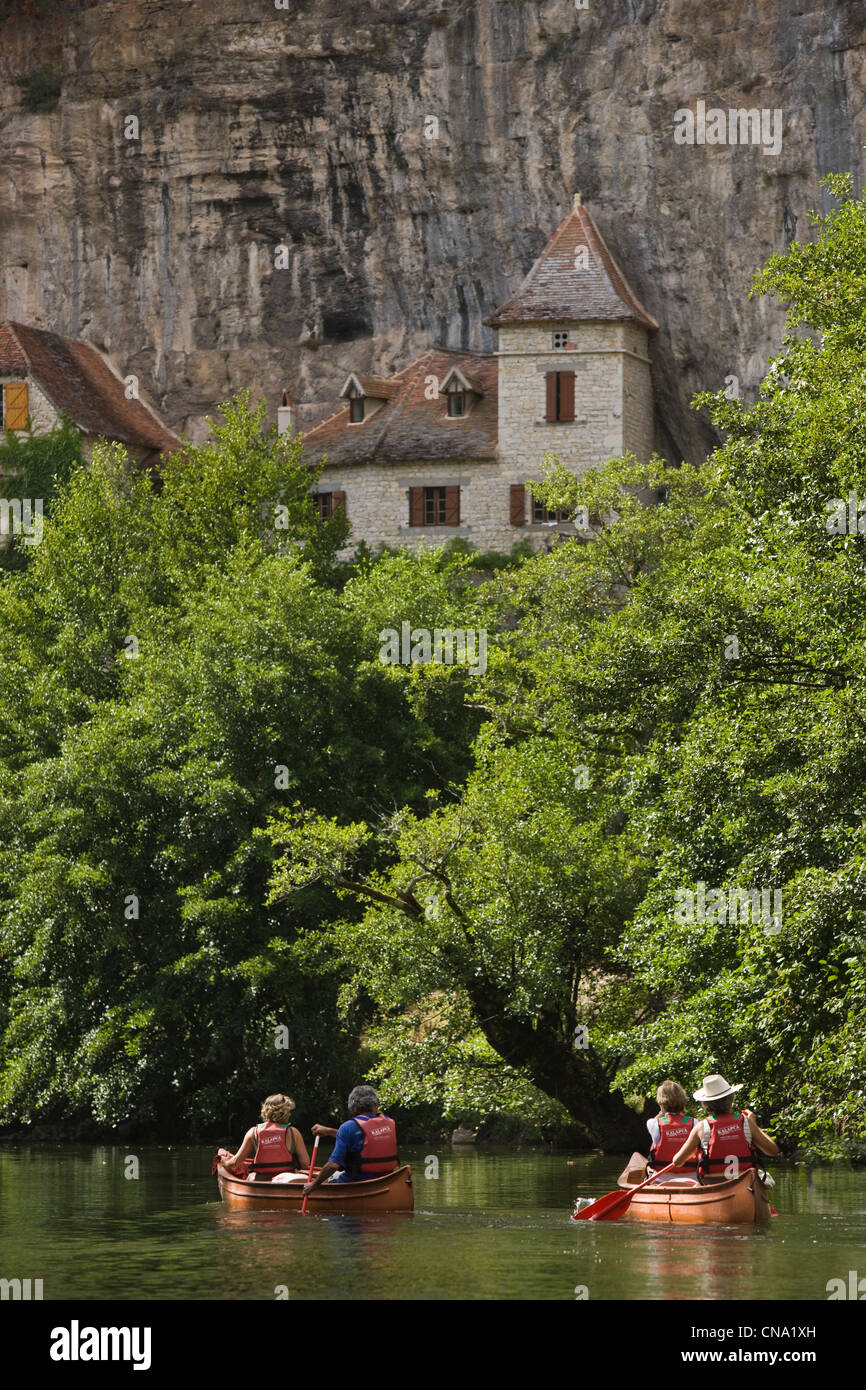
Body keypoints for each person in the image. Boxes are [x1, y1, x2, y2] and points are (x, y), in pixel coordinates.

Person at [670, 1073, 780, 1180]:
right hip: (745, 1184)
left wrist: (695, 1151)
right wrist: (754, 1125)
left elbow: (677, 1162)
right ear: (731, 1098)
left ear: (706, 1104)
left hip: (713, 1186)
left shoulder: (701, 1127)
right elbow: (773, 1151)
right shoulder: (746, 1122)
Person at [303, 1085, 398, 1192]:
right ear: (375, 1104)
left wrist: (313, 1185)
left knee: (328, 1178)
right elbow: (362, 1137)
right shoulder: (390, 1122)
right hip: (387, 1180)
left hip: (357, 1182)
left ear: (354, 1108)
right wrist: (329, 1131)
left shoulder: (348, 1127)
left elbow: (332, 1166)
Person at [222, 1093, 311, 1182]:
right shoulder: (293, 1132)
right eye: (289, 1111)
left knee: (250, 1176)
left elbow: (236, 1162)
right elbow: (305, 1163)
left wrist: (224, 1163)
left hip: (259, 1181)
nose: (290, 1114)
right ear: (283, 1113)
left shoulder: (253, 1132)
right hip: (285, 1181)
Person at [646, 1080, 698, 1176]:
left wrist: (662, 1111)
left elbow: (659, 1118)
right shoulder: (695, 1123)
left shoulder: (653, 1123)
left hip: (660, 1178)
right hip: (692, 1177)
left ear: (661, 1103)